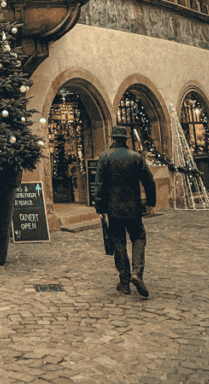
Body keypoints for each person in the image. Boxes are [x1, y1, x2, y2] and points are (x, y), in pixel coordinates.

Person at [94, 124, 157, 298]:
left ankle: (124, 281)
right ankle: (137, 272)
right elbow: (149, 181)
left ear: (113, 139)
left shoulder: (105, 156)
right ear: (126, 139)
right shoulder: (135, 157)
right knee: (138, 237)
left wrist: (99, 206)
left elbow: (99, 184)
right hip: (133, 207)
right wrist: (150, 202)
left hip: (113, 208)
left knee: (119, 242)